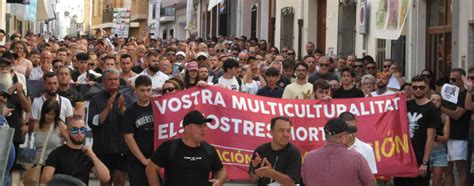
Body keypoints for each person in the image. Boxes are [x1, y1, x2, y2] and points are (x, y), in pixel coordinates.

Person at [146, 110, 227, 186]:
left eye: (205, 126)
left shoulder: (209, 149)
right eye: (200, 126)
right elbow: (151, 169)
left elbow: (221, 170)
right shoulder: (169, 147)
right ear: (187, 128)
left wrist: (219, 181)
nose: (204, 129)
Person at [394, 75, 441, 186]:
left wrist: (425, 162)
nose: (418, 90)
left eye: (421, 87)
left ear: (427, 88)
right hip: (403, 156)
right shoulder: (406, 105)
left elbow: (430, 137)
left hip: (419, 158)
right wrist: (397, 97)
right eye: (415, 87)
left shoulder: (431, 109)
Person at [301, 118, 373, 186]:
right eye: (348, 134)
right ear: (343, 138)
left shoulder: (308, 158)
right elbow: (370, 183)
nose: (350, 136)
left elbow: (305, 181)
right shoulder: (356, 159)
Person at [88, 68, 129, 186]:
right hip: (103, 148)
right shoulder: (96, 99)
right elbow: (93, 123)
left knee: (120, 179)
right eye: (110, 79)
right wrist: (107, 109)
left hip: (122, 147)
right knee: (105, 180)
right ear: (103, 82)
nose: (113, 82)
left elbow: (131, 122)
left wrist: (122, 110)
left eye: (116, 79)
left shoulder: (126, 97)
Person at [40, 116, 110, 184]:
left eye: (82, 129)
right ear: (67, 132)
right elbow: (45, 180)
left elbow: (105, 178)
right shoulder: (57, 153)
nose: (79, 133)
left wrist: (92, 155)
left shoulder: (88, 154)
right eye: (74, 130)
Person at [249, 116, 301, 185]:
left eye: (288, 131)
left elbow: (290, 183)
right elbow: (252, 181)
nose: (286, 134)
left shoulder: (294, 153)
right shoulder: (260, 150)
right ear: (271, 132)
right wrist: (256, 170)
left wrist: (271, 173)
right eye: (281, 130)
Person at [442, 68, 472, 186]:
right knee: (447, 168)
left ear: (461, 80)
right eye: (450, 79)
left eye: (454, 79)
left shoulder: (466, 95)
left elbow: (457, 114)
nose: (451, 82)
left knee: (460, 168)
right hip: (446, 134)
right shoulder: (448, 93)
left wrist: (440, 107)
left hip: (459, 135)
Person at [123, 75, 154, 186]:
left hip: (157, 159)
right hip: (137, 161)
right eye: (142, 90)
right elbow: (128, 137)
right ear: (135, 90)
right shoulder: (130, 111)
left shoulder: (159, 106)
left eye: (148, 90)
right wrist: (143, 159)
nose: (146, 93)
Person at [33, 98, 68, 164]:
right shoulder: (36, 125)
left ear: (56, 114)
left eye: (53, 114)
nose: (50, 117)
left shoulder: (60, 125)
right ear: (43, 112)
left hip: (54, 164)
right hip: (38, 164)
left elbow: (70, 141)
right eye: (48, 113)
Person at [429, 93, 450, 186]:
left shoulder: (444, 116)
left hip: (439, 150)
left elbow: (446, 138)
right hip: (424, 150)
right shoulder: (423, 113)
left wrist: (434, 136)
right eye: (433, 100)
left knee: (436, 183)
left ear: (441, 103)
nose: (435, 102)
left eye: (438, 100)